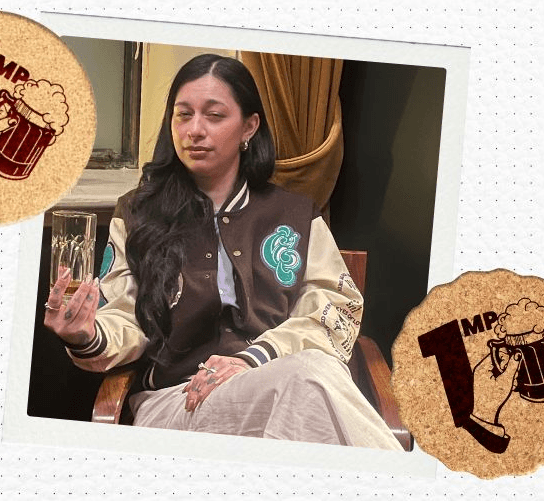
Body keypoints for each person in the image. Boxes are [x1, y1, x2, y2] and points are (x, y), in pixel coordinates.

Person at [43, 54, 401, 450]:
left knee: (305, 384)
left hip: (282, 389)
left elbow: (337, 310)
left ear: (249, 127)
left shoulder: (296, 215)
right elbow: (124, 316)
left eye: (214, 116)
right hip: (177, 402)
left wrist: (256, 358)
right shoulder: (138, 214)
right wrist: (86, 334)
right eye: (183, 115)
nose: (194, 130)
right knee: (310, 381)